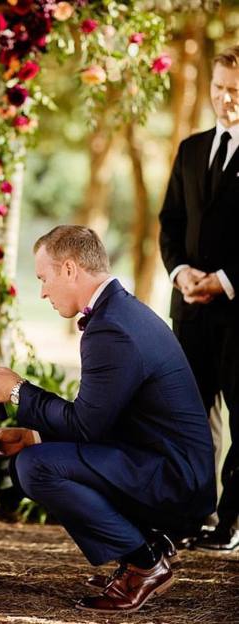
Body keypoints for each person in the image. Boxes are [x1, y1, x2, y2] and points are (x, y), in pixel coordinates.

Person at [0, 225, 215, 614]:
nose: (42, 292)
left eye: (44, 278)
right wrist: (32, 435)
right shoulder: (119, 312)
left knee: (36, 469)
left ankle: (144, 562)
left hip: (173, 480)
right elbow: (101, 416)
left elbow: (86, 427)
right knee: (31, 459)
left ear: (69, 269)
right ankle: (145, 546)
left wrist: (17, 391)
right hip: (158, 462)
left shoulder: (112, 328)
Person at [159, 45, 239, 552]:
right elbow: (169, 223)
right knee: (187, 418)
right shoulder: (190, 148)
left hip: (237, 313)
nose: (224, 99)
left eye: (234, 91)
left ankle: (229, 524)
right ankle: (191, 515)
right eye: (218, 88)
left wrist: (226, 280)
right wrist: (182, 272)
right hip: (188, 310)